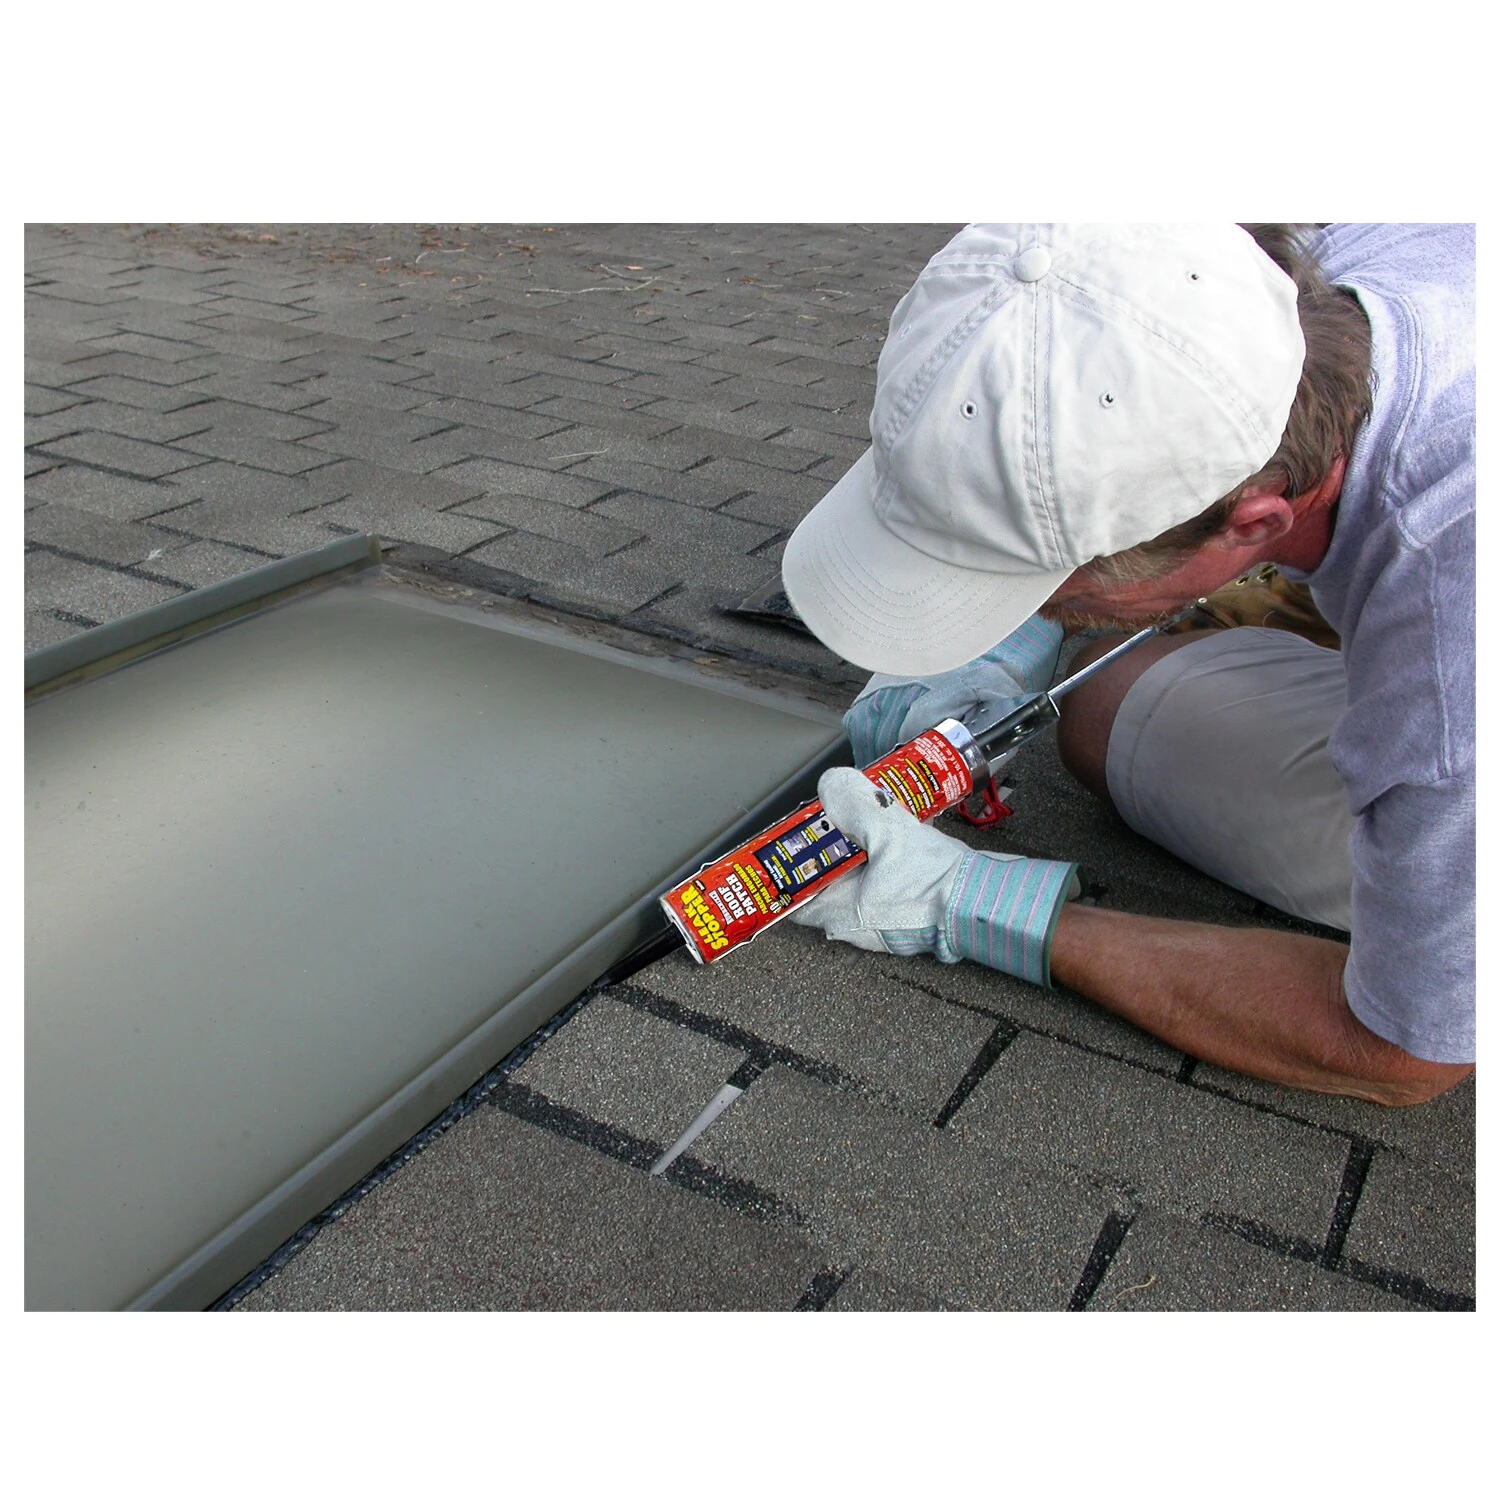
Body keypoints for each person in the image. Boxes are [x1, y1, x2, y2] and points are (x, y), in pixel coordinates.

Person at [780, 223, 1474, 1106]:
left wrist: (962, 896)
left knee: (1115, 714)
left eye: (1043, 589)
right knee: (1115, 692)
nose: (1028, 611)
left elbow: (1402, 1052)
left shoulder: (1453, 651)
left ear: (1256, 523)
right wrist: (1002, 644)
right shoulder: (1260, 282)